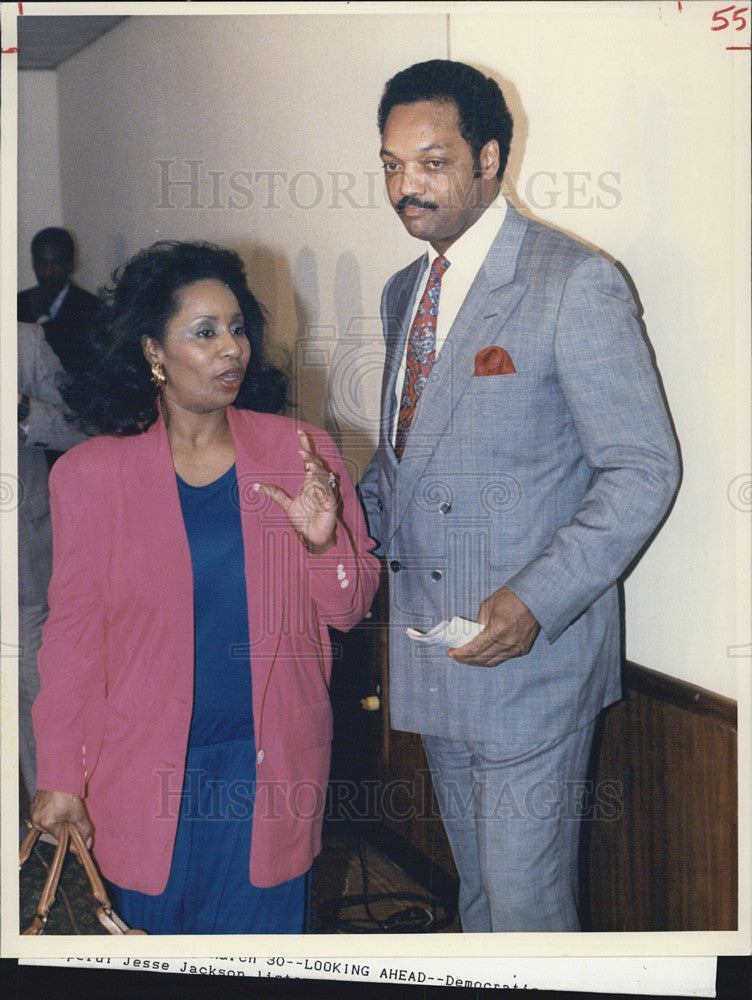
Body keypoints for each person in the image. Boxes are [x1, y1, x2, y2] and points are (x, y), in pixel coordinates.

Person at [358, 60, 681, 932]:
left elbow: (643, 466)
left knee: (530, 910)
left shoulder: (573, 281)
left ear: (490, 159)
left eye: (431, 161)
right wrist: (342, 523)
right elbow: (403, 468)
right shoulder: (405, 292)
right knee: (478, 897)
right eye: (391, 164)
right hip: (437, 651)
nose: (405, 187)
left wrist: (537, 600)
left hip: (531, 662)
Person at [30, 241, 380, 934]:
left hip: (269, 767)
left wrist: (320, 539)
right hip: (141, 773)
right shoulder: (91, 476)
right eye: (205, 332)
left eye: (238, 328)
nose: (232, 350)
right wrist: (62, 773)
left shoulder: (299, 451)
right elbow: (71, 636)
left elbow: (350, 608)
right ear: (153, 351)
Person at [17, 323, 88, 808]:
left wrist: (24, 411)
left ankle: (54, 831)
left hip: (22, 563)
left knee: (36, 693)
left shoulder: (25, 342)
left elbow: (82, 425)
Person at [18, 227, 100, 374]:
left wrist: (42, 321)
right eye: (42, 263)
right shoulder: (18, 303)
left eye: (56, 263)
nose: (48, 271)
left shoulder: (92, 308)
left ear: (71, 264)